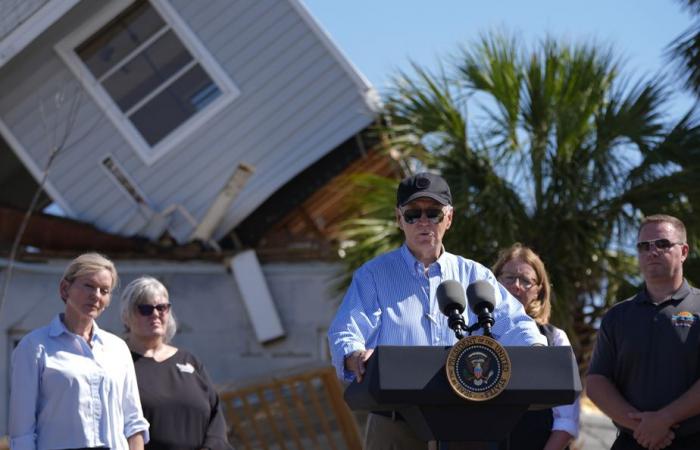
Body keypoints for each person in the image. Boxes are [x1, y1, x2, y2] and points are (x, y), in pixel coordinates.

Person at [328, 172, 546, 450]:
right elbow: (347, 330)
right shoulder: (373, 275)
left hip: (466, 421)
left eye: (433, 213)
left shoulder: (475, 276)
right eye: (412, 214)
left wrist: (538, 351)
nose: (423, 222)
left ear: (449, 218)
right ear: (398, 219)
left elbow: (515, 324)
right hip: (395, 423)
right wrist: (355, 355)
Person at [9, 252, 149, 450]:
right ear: (65, 289)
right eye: (89, 286)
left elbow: (133, 422)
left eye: (104, 290)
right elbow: (21, 432)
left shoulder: (118, 348)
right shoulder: (34, 346)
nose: (96, 295)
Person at [587, 214, 700, 450]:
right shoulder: (617, 316)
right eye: (643, 246)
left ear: (684, 251)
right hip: (632, 441)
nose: (653, 251)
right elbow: (597, 381)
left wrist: (665, 419)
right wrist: (643, 427)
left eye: (663, 244)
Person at [120, 276, 234, 450]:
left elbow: (216, 419)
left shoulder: (190, 361)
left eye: (162, 308)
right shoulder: (117, 362)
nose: (155, 314)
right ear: (126, 316)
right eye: (145, 309)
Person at [492, 243, 580, 450]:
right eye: (509, 278)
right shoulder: (475, 334)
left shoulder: (554, 338)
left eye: (525, 280)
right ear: (494, 281)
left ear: (538, 290)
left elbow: (567, 418)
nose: (516, 286)